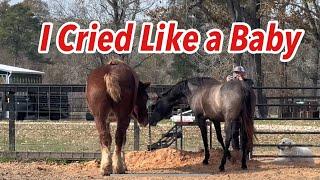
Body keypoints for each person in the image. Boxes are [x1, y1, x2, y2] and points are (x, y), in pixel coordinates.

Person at [226, 66, 254, 153]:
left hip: (246, 113)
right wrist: (227, 82)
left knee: (244, 133)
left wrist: (241, 80)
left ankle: (245, 152)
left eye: (239, 72)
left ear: (243, 74)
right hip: (234, 112)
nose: (237, 74)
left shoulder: (248, 82)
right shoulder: (232, 83)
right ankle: (236, 151)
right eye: (235, 72)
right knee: (233, 132)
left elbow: (249, 91)